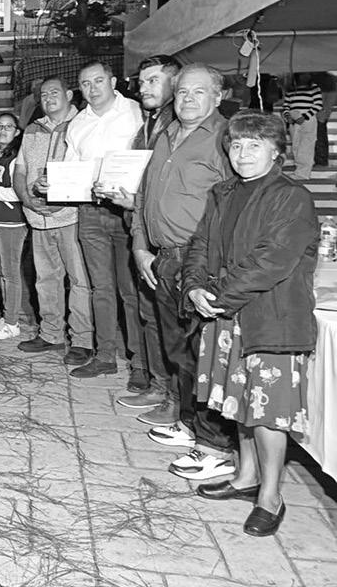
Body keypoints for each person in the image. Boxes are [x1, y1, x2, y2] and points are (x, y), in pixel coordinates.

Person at [184, 109, 317, 538]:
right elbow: (200, 244)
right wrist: (193, 287)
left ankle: (271, 496)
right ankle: (245, 476)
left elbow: (271, 261)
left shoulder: (291, 197)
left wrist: (217, 297)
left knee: (267, 413)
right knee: (237, 401)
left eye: (254, 145)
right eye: (237, 145)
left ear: (276, 151)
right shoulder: (223, 192)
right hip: (226, 316)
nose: (242, 154)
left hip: (270, 319)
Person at [129, 64, 238, 479]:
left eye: (198, 92)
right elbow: (144, 194)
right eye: (182, 92)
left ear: (218, 96)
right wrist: (141, 246)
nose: (188, 99)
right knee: (178, 351)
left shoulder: (227, 139)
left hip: (201, 261)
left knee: (204, 353)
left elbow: (236, 204)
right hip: (163, 257)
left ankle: (215, 444)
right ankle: (190, 422)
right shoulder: (166, 135)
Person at [103, 55, 180, 410]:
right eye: (142, 81)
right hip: (143, 228)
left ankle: (177, 398)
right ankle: (158, 385)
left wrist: (136, 202)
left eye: (153, 81)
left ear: (174, 82)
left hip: (171, 236)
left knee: (171, 320)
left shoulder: (178, 126)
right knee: (151, 314)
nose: (143, 87)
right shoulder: (149, 123)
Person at [59, 61, 143, 378]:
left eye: (98, 81)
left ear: (112, 81)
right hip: (91, 212)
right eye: (85, 83)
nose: (92, 88)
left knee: (130, 290)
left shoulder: (135, 112)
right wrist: (54, 184)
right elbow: (71, 166)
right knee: (101, 288)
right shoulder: (78, 123)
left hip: (126, 212)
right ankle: (105, 355)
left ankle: (140, 362)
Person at [13, 77, 92, 361]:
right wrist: (26, 198)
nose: (48, 98)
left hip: (70, 216)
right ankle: (51, 334)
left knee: (79, 280)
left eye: (54, 93)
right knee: (45, 279)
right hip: (38, 218)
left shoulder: (84, 125)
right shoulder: (33, 129)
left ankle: (82, 340)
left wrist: (62, 201)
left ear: (69, 94)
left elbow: (89, 169)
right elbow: (20, 169)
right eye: (43, 95)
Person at [0, 113, 27, 341]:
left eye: (9, 127)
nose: (3, 130)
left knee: (10, 272)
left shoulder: (16, 157)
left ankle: (12, 323)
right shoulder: (1, 155)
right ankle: (6, 316)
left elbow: (18, 193)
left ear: (17, 132)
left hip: (12, 221)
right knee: (2, 271)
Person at [282, 72, 322, 180]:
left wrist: (304, 117)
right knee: (296, 146)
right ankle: (300, 170)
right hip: (293, 119)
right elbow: (286, 106)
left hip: (307, 118)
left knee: (306, 145)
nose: (305, 76)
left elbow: (318, 105)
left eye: (307, 74)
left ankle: (303, 173)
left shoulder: (313, 87)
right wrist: (288, 117)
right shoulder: (291, 89)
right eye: (303, 74)